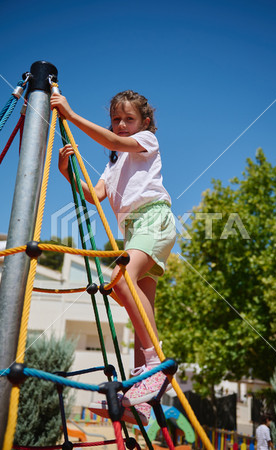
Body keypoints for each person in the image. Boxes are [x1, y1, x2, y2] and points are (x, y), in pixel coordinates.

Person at [50, 90, 176, 424]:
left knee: (120, 281)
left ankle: (154, 364)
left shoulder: (146, 140)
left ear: (144, 122)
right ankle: (142, 402)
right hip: (134, 232)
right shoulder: (114, 163)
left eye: (128, 119)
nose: (121, 125)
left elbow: (117, 142)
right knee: (139, 308)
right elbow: (95, 195)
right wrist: (67, 173)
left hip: (154, 219)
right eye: (116, 120)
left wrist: (72, 116)